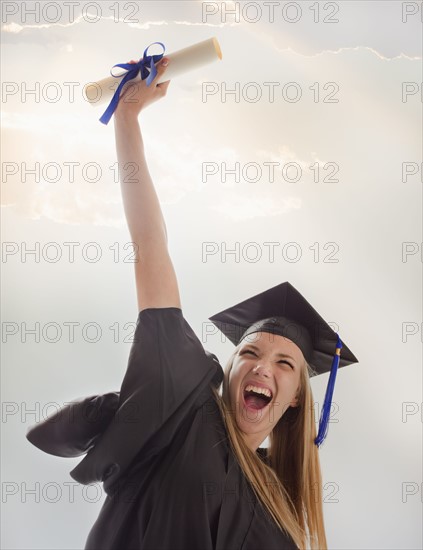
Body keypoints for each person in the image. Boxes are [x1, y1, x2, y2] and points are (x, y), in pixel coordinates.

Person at [26, 56, 358, 550]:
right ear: (227, 371)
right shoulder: (185, 413)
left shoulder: (282, 509)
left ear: (294, 400)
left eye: (285, 362)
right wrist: (127, 119)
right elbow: (151, 247)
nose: (262, 367)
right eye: (249, 352)